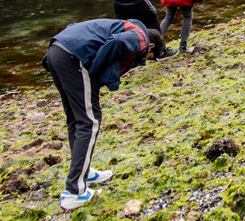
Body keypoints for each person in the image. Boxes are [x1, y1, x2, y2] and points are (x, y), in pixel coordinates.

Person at [42, 18, 164, 211]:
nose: (143, 60)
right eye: (148, 58)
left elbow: (74, 27)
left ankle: (85, 172)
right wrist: (93, 71)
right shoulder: (141, 38)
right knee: (89, 122)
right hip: (74, 58)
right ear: (152, 46)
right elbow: (116, 43)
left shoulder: (123, 25)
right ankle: (75, 192)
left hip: (56, 51)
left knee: (76, 119)